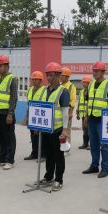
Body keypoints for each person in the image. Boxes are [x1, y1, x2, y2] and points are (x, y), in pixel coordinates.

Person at [37, 62, 70, 191]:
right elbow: (40, 108)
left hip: (57, 129)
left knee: (58, 156)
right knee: (48, 155)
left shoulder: (63, 92)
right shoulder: (44, 90)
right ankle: (49, 176)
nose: (49, 78)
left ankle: (58, 180)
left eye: (51, 75)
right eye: (48, 75)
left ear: (58, 75)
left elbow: (65, 113)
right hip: (46, 128)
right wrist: (38, 126)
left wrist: (65, 130)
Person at [82, 62, 108, 178]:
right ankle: (94, 165)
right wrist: (86, 116)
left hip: (102, 120)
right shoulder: (91, 84)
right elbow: (88, 101)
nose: (95, 73)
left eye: (97, 71)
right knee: (93, 144)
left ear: (103, 72)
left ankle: (105, 168)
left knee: (104, 145)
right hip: (92, 119)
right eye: (94, 71)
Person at [0, 54, 18, 170]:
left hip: (6, 113)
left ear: (7, 66)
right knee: (0, 138)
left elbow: (13, 97)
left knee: (9, 138)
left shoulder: (12, 79)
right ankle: (1, 158)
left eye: (0, 66)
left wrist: (10, 113)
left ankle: (9, 160)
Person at [24, 71, 46, 161]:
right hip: (32, 116)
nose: (33, 81)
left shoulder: (44, 90)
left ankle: (43, 154)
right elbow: (28, 104)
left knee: (41, 136)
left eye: (36, 79)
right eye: (32, 79)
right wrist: (27, 117)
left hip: (40, 116)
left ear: (40, 80)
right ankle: (34, 153)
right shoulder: (30, 90)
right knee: (33, 135)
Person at [60, 67, 77, 150]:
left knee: (67, 130)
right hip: (60, 111)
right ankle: (61, 146)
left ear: (67, 77)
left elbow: (73, 100)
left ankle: (67, 147)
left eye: (62, 76)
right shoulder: (60, 85)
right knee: (60, 130)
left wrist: (70, 113)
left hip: (67, 111)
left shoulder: (71, 86)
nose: (60, 77)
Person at [77, 75, 92, 149]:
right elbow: (79, 102)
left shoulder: (91, 92)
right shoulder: (81, 92)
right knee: (84, 129)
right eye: (83, 82)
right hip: (82, 114)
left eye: (85, 82)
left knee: (89, 130)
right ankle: (85, 144)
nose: (84, 84)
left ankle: (91, 144)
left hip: (89, 114)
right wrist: (77, 112)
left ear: (89, 83)